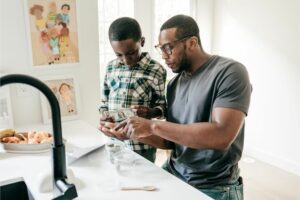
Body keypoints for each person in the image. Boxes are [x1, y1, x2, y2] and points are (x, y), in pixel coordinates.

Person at [105, 15, 252, 200]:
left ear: (192, 42)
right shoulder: (174, 85)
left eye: (168, 48)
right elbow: (172, 141)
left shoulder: (229, 72)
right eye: (161, 49)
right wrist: (131, 132)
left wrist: (151, 125)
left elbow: (222, 135)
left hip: (213, 185)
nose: (164, 56)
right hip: (174, 172)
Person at [98, 17, 166, 163]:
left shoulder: (156, 70)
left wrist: (152, 112)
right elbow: (104, 101)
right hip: (113, 142)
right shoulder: (110, 68)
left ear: (141, 42)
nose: (126, 60)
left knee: (142, 181)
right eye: (119, 55)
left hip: (142, 145)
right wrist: (104, 117)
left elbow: (163, 107)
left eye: (131, 53)